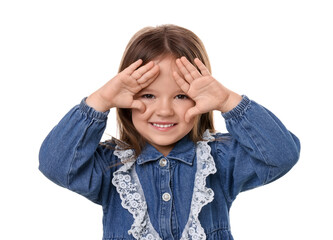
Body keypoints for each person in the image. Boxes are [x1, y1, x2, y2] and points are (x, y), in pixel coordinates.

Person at [39, 24, 300, 240]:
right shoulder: (112, 167)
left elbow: (281, 155)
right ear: (125, 99)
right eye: (148, 95)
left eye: (181, 96)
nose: (164, 110)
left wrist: (228, 100)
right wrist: (100, 100)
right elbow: (55, 164)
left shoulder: (218, 160)